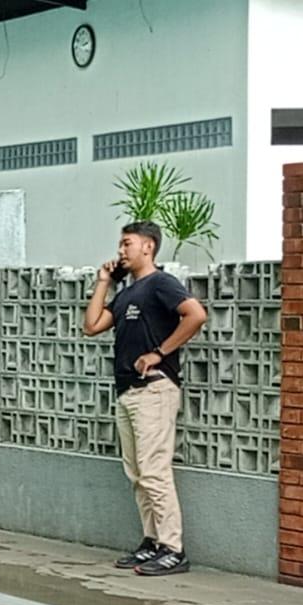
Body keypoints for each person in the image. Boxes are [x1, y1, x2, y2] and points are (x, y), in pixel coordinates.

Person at [83, 221, 208, 576]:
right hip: (127, 391)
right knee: (137, 473)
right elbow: (91, 326)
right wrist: (105, 281)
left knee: (154, 471)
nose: (121, 251)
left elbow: (196, 314)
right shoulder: (127, 293)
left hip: (154, 388)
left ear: (148, 247)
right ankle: (152, 541)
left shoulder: (161, 284)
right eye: (120, 245)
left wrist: (159, 352)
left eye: (127, 244)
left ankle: (173, 547)